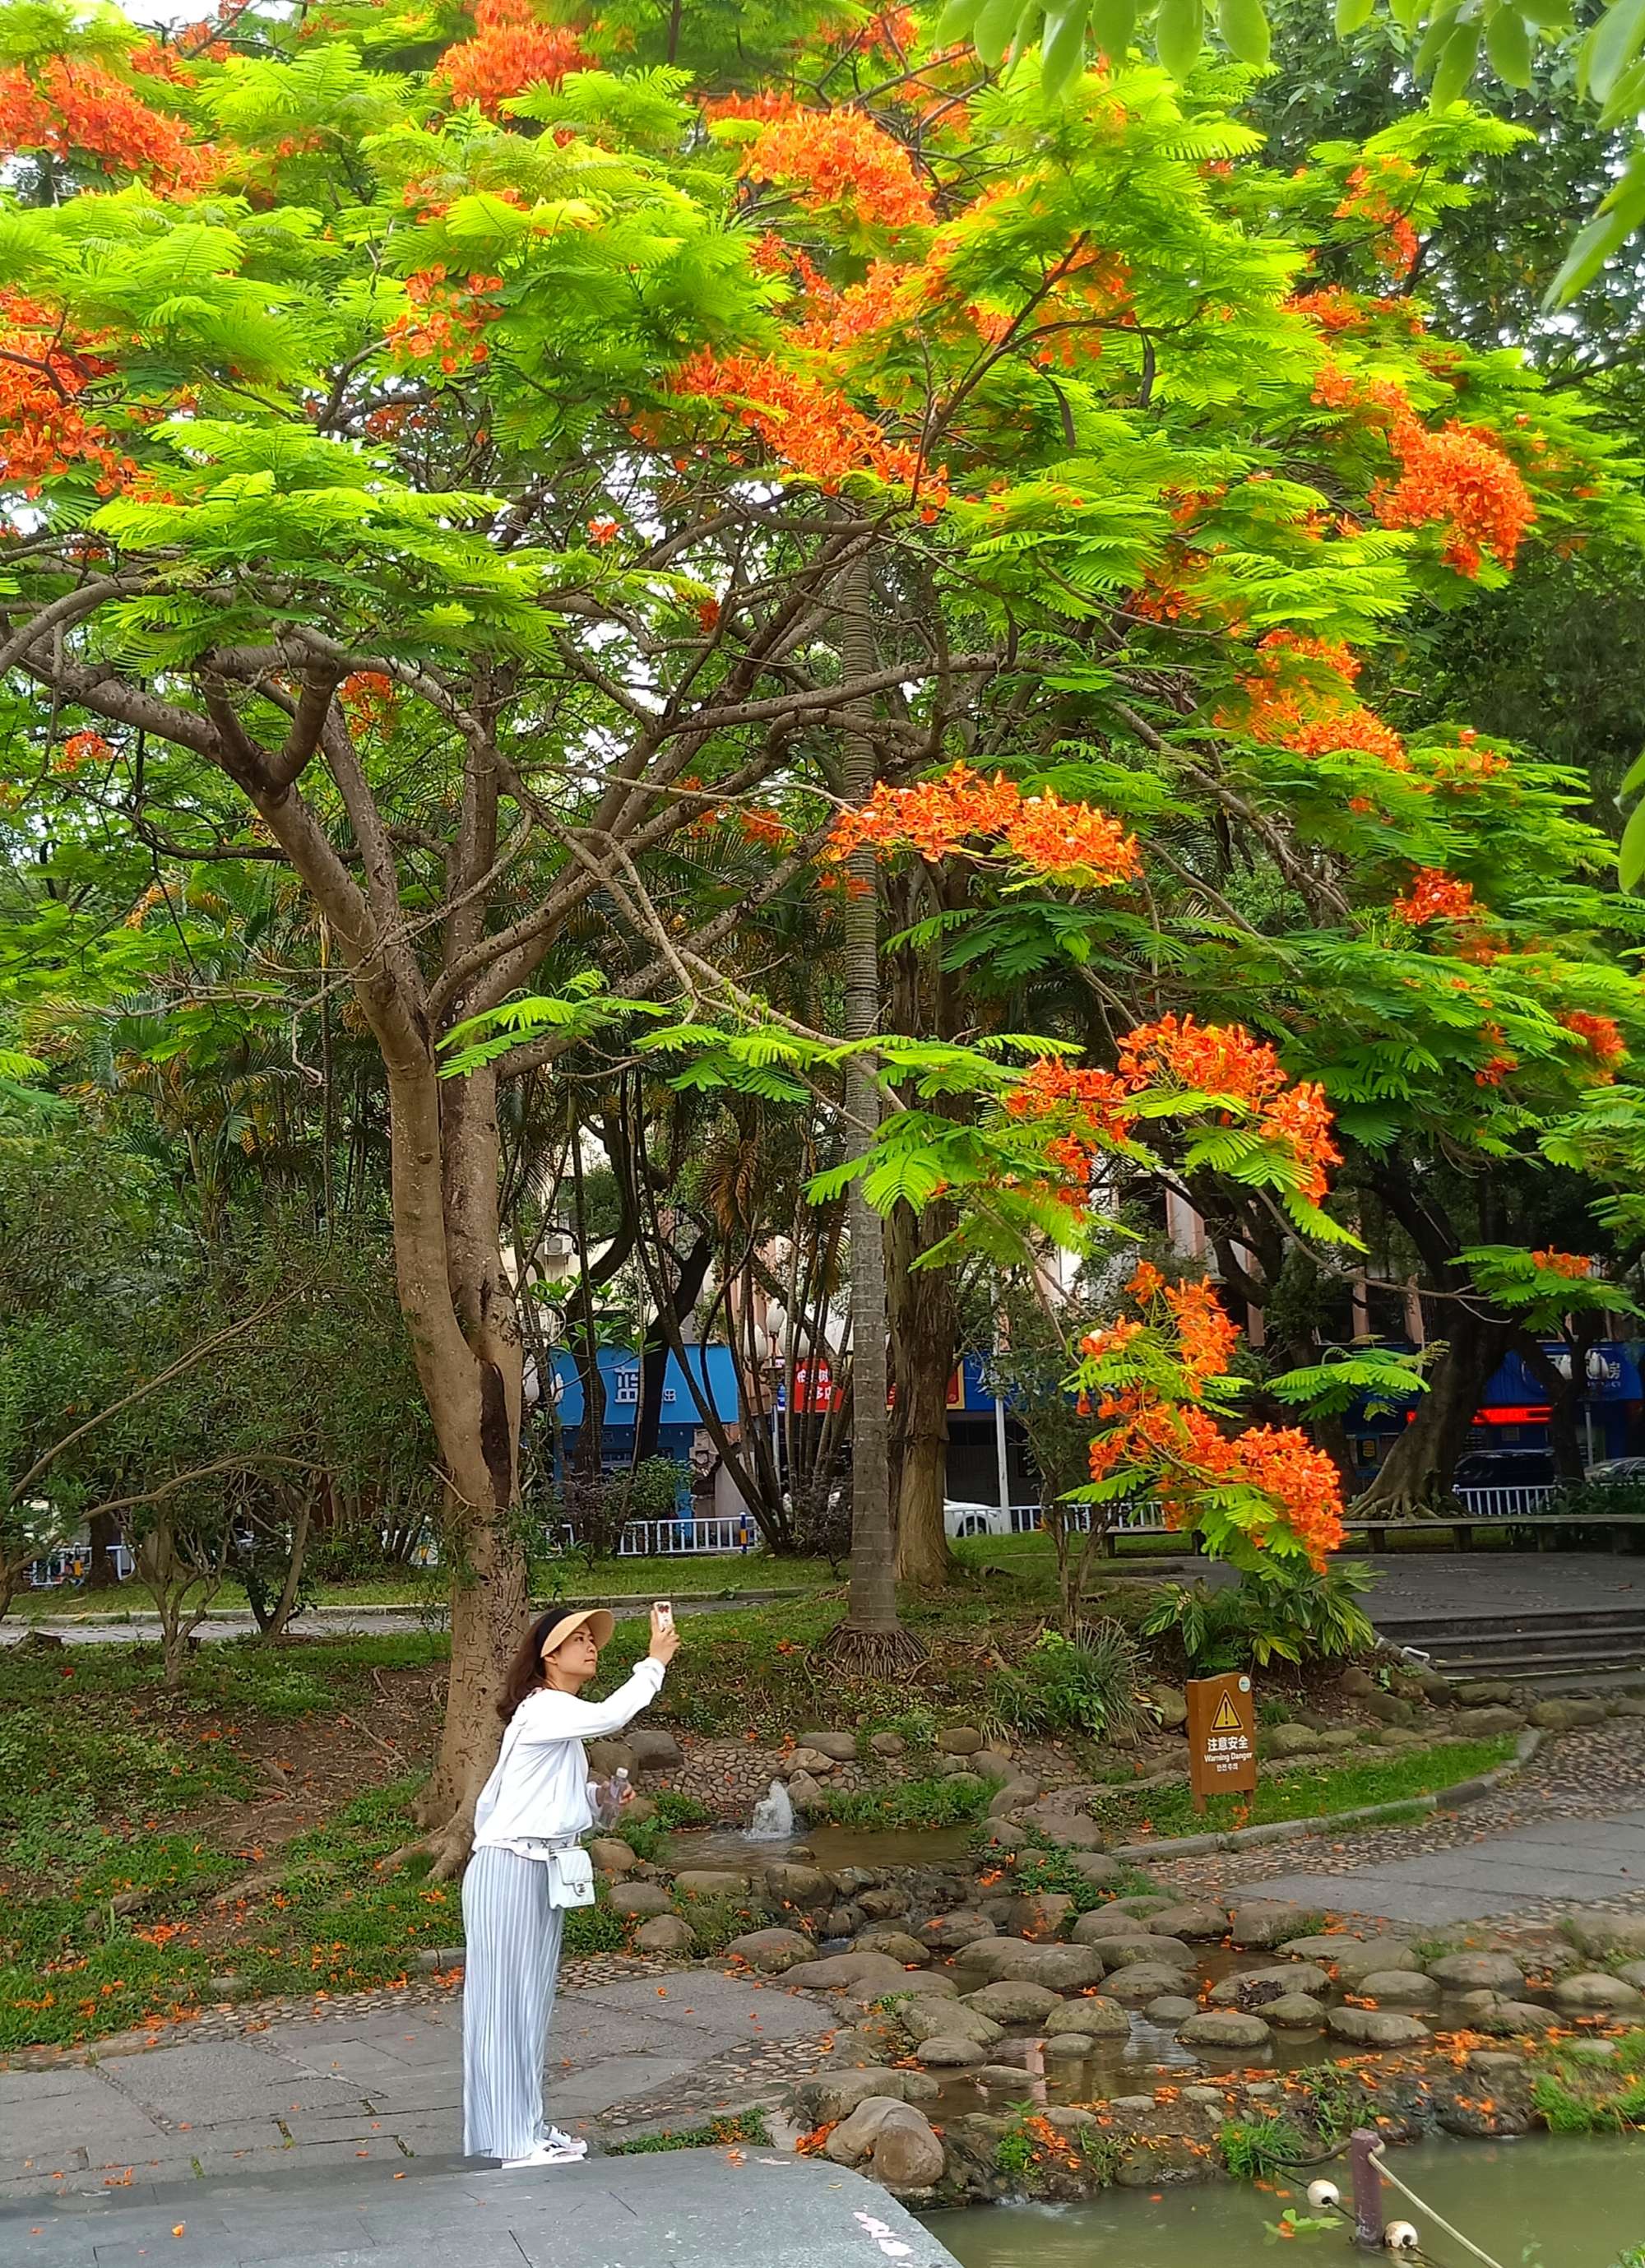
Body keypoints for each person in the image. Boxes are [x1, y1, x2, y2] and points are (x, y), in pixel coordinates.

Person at [462, 1602, 681, 2168]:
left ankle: (527, 2129)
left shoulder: (559, 1723)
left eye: (592, 1638)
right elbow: (614, 1715)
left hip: (540, 1869)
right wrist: (653, 1662)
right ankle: (511, 2141)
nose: (591, 1646)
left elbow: (557, 1804)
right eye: (578, 1638)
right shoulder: (543, 1710)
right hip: (508, 1868)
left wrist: (602, 1800)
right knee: (503, 2006)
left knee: (530, 2004)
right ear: (548, 1655)